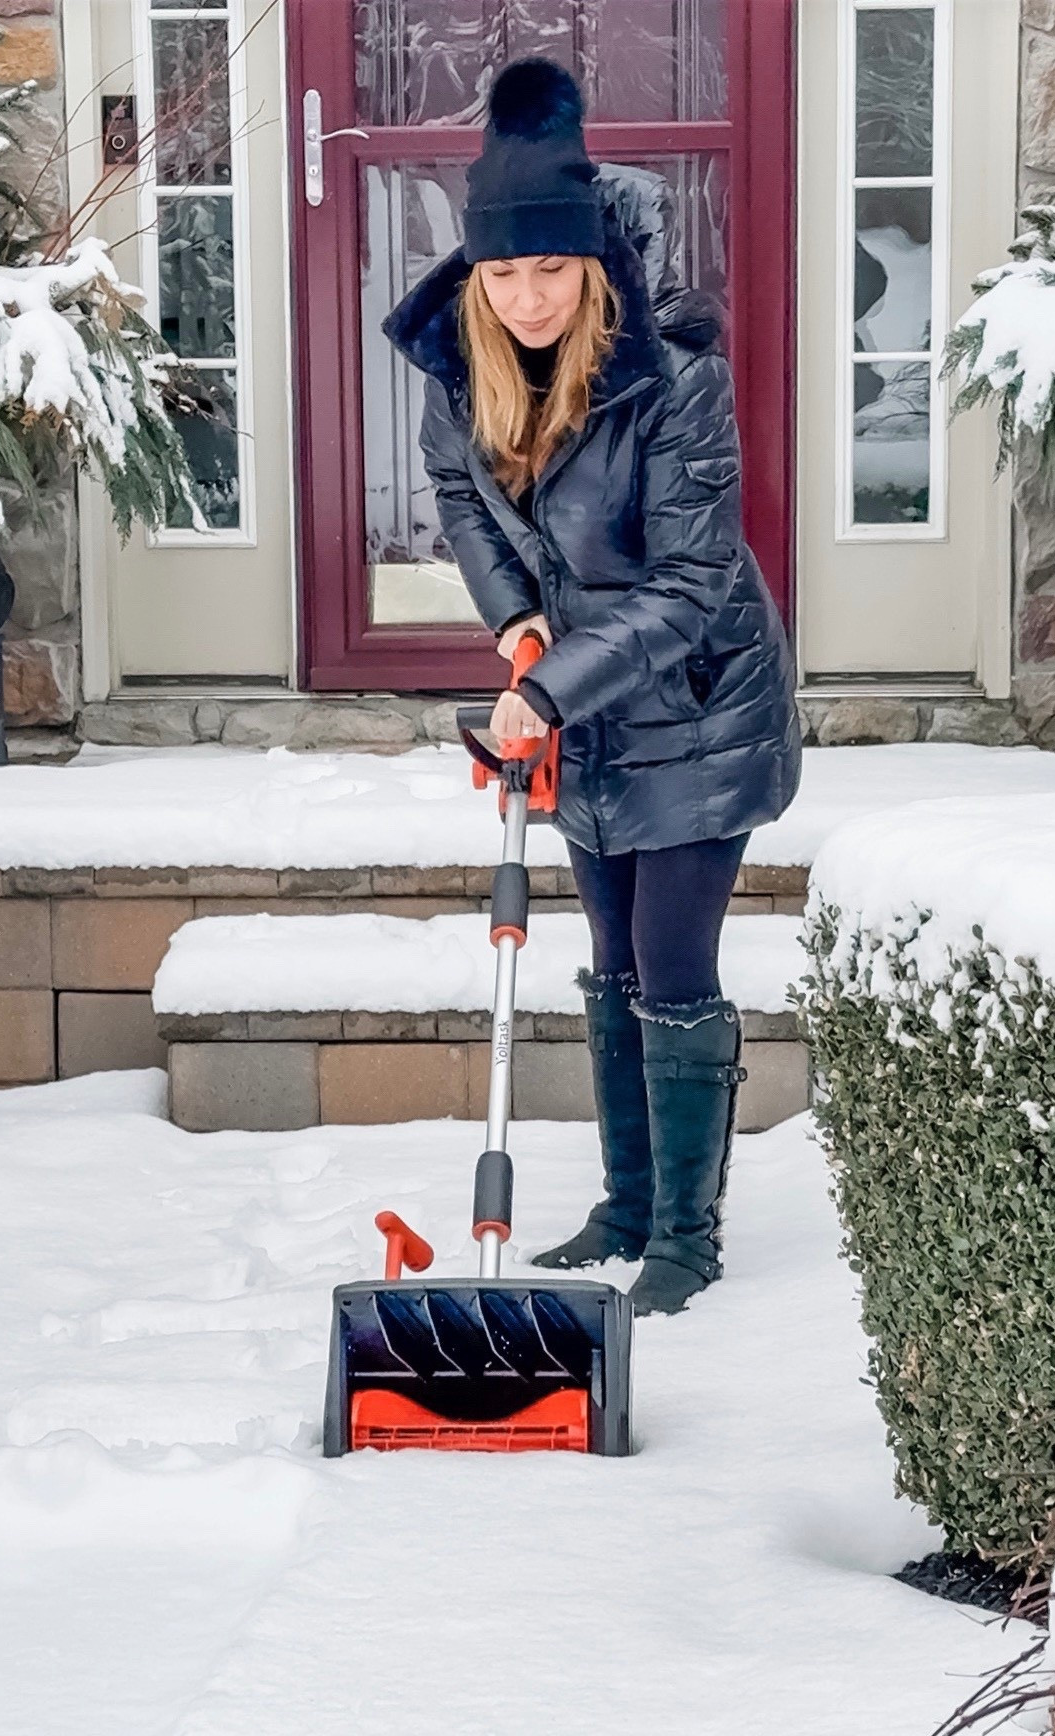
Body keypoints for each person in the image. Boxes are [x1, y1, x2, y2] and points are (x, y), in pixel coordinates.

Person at [383, 57, 801, 1316]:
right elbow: (464, 507)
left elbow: (689, 584)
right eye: (502, 272)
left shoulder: (673, 374)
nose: (526, 297)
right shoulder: (466, 369)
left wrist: (550, 688)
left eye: (551, 269)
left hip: (699, 700)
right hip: (578, 704)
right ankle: (623, 1203)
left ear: (593, 264)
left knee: (671, 962)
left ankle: (685, 1232)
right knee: (608, 958)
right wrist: (516, 627)